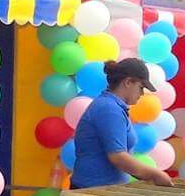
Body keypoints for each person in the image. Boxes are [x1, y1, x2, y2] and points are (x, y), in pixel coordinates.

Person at [68, 58, 174, 189]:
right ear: (128, 82)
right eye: (141, 87)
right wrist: (155, 174)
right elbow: (117, 156)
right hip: (91, 192)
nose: (142, 94)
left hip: (102, 189)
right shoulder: (109, 109)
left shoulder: (112, 106)